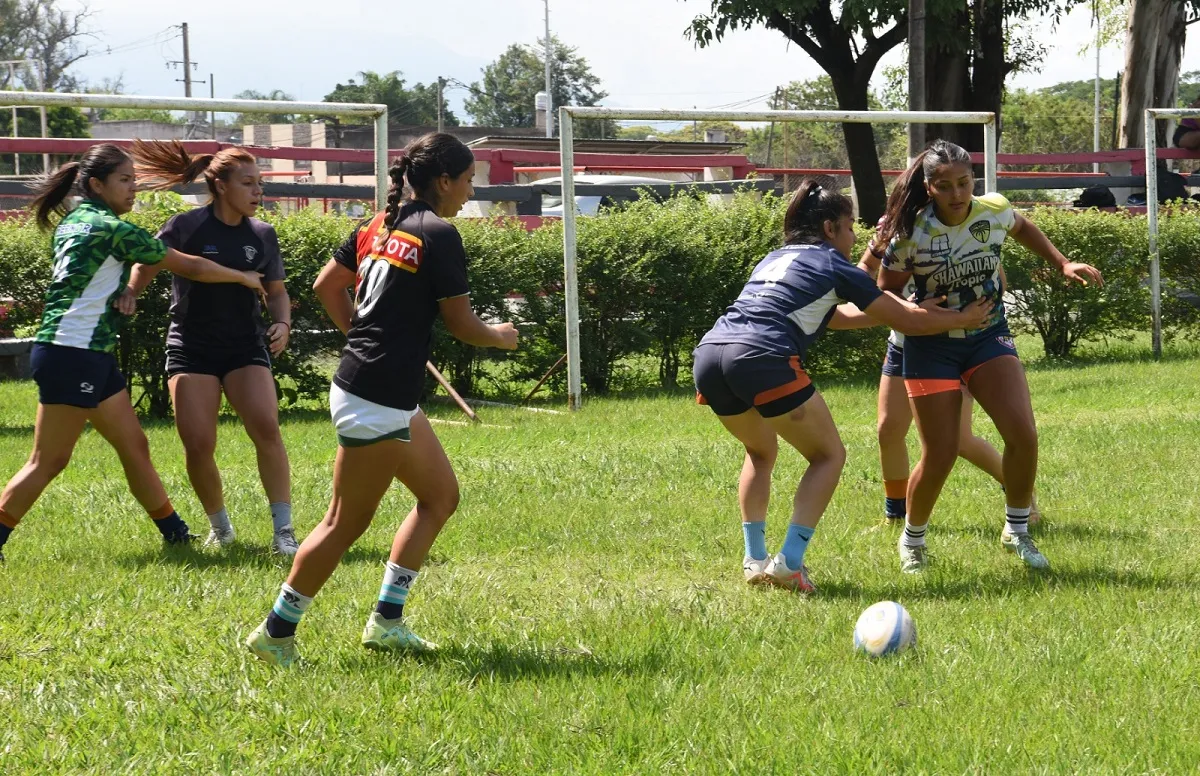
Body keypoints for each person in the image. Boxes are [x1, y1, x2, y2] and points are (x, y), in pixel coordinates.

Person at [244, 133, 519, 666]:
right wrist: (501, 335)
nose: (469, 191)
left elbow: (327, 286)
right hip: (376, 396)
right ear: (443, 181)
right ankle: (276, 632)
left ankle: (386, 622)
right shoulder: (438, 233)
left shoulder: (378, 224)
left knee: (439, 497)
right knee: (343, 523)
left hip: (374, 389)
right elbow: (463, 326)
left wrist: (361, 334)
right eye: (467, 181)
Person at [692, 178, 992, 594]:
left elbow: (834, 317)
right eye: (851, 228)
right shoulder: (834, 264)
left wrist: (909, 310)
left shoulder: (776, 257)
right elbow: (903, 321)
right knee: (828, 455)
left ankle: (754, 559)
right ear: (831, 227)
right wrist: (958, 318)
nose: (854, 238)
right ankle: (789, 563)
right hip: (762, 356)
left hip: (711, 353)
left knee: (760, 452)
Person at [0, 143, 265, 561]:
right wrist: (244, 277)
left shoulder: (74, 221)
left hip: (88, 351)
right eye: (125, 180)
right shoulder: (112, 228)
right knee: (48, 461)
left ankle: (176, 534)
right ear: (96, 184)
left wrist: (121, 293)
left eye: (134, 179)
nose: (134, 188)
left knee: (134, 445)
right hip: (74, 351)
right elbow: (191, 266)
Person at [876, 140, 1103, 574]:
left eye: (964, 183)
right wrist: (922, 314)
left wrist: (1061, 263)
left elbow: (1021, 226)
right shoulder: (911, 233)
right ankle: (913, 539)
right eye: (945, 186)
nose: (958, 194)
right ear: (929, 188)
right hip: (931, 345)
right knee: (941, 452)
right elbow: (884, 291)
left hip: (988, 336)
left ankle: (1017, 530)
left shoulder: (993, 209)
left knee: (1023, 434)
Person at [126, 140, 296, 554]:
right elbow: (146, 264)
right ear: (220, 186)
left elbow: (276, 291)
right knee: (199, 444)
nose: (258, 192)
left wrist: (283, 322)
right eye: (248, 183)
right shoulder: (185, 226)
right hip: (191, 345)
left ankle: (284, 532)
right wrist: (131, 292)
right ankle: (220, 529)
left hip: (244, 344)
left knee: (266, 428)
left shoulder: (263, 234)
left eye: (260, 184)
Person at [857, 190, 1039, 526]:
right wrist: (895, 306)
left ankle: (1021, 493)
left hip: (957, 341)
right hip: (904, 340)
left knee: (957, 440)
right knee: (888, 429)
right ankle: (895, 516)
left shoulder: (968, 223)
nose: (952, 195)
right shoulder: (895, 226)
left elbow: (996, 276)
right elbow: (864, 273)